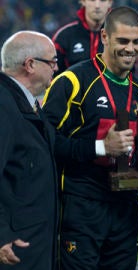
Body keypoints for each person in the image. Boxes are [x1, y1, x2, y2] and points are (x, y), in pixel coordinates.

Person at [42, 6, 138, 270]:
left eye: (137, 42)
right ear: (104, 36)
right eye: (122, 41)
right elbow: (44, 143)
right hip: (81, 208)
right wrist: (101, 147)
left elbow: (135, 158)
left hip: (125, 211)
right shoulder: (72, 82)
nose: (131, 49)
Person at [0, 31, 58, 269]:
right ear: (30, 64)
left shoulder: (23, 102)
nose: (56, 68)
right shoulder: (3, 107)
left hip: (32, 239)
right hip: (15, 246)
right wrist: (2, 235)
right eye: (52, 61)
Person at [52, 0, 113, 75]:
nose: (97, 6)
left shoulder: (120, 35)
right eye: (92, 0)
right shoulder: (64, 36)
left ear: (110, 2)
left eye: (102, 0)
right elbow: (52, 74)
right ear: (83, 1)